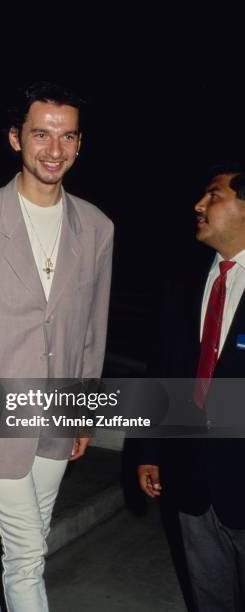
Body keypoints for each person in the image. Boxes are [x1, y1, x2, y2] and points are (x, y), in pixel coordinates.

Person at [0, 81, 114, 611]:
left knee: (27, 547)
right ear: (16, 138)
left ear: (80, 143)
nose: (54, 150)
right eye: (41, 134)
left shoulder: (99, 227)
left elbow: (92, 329)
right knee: (27, 555)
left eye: (67, 137)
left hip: (58, 413)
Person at [138, 168, 245, 611]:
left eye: (213, 196)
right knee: (211, 598)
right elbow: (162, 372)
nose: (198, 206)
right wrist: (148, 450)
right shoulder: (183, 281)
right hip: (189, 480)